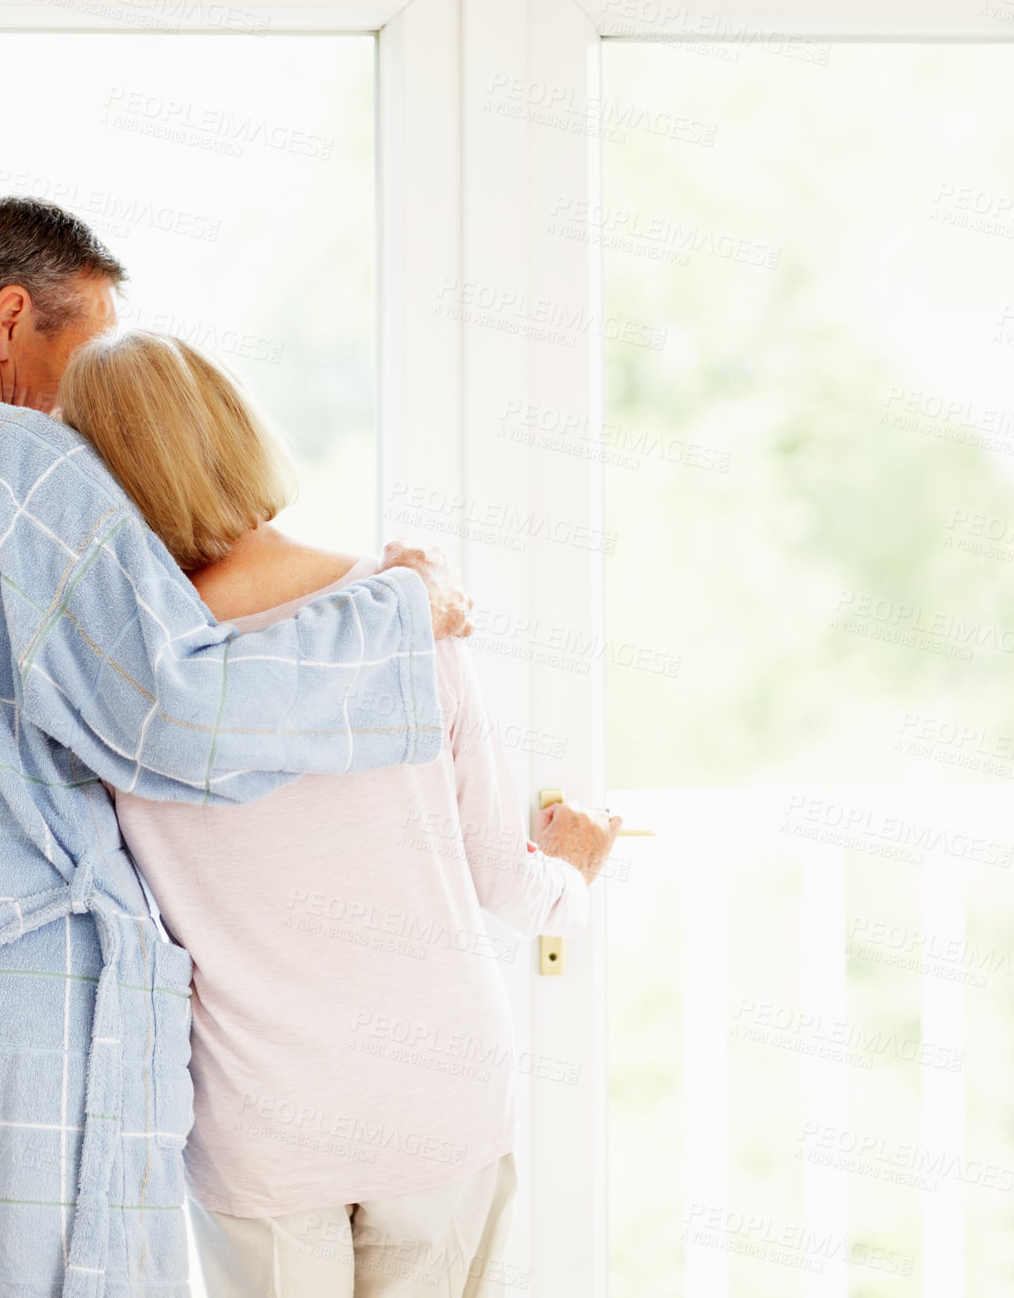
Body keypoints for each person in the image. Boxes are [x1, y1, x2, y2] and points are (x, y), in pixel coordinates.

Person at [0, 196, 478, 1298]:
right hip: (28, 1010)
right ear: (10, 318)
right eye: (85, 351)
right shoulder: (20, 463)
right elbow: (181, 713)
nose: (83, 405)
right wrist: (396, 611)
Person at [57, 330, 621, 1297]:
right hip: (437, 1097)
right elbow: (502, 879)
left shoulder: (120, 679)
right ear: (237, 433)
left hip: (261, 1122)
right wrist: (576, 870)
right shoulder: (406, 613)